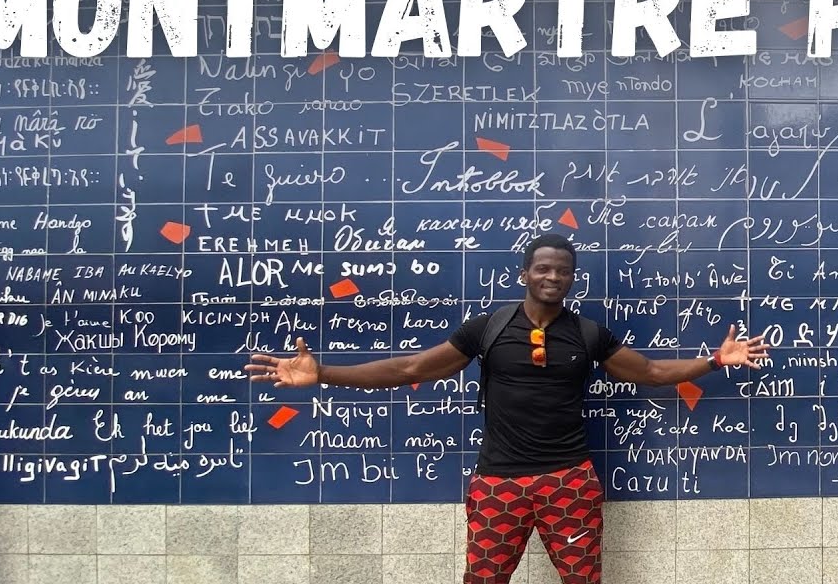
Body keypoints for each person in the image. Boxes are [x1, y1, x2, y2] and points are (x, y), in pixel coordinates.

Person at [245, 233, 768, 584]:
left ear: (571, 278)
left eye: (563, 271)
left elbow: (651, 373)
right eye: (543, 268)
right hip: (498, 484)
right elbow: (412, 370)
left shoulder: (588, 334)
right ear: (525, 273)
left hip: (570, 482)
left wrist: (715, 361)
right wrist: (324, 375)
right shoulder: (488, 328)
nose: (553, 277)